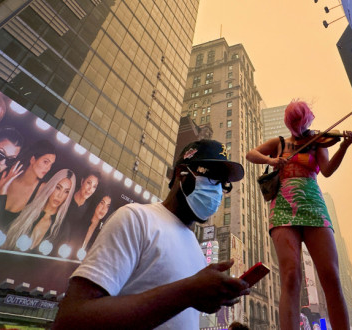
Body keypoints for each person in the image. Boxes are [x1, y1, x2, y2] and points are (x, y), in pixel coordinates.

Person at [53, 139, 250, 329]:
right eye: (211, 177)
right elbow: (71, 319)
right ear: (181, 172)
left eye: (223, 184)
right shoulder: (136, 218)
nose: (217, 191)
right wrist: (188, 292)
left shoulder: (198, 253)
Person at [246, 100, 352, 330]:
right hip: (283, 207)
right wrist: (271, 160)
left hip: (313, 204)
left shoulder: (318, 143)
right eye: (296, 123)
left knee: (331, 276)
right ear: (290, 124)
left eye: (302, 122)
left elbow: (326, 171)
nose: (300, 127)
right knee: (290, 275)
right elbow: (251, 153)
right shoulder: (280, 142)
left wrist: (343, 147)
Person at [4, 168, 75, 253]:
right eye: (58, 188)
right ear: (51, 186)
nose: (60, 195)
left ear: (68, 196)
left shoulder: (63, 228)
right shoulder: (28, 211)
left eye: (66, 191)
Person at [0, 140, 57, 227]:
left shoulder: (42, 190)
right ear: (33, 159)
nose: (48, 168)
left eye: (51, 164)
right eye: (45, 162)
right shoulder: (8, 178)